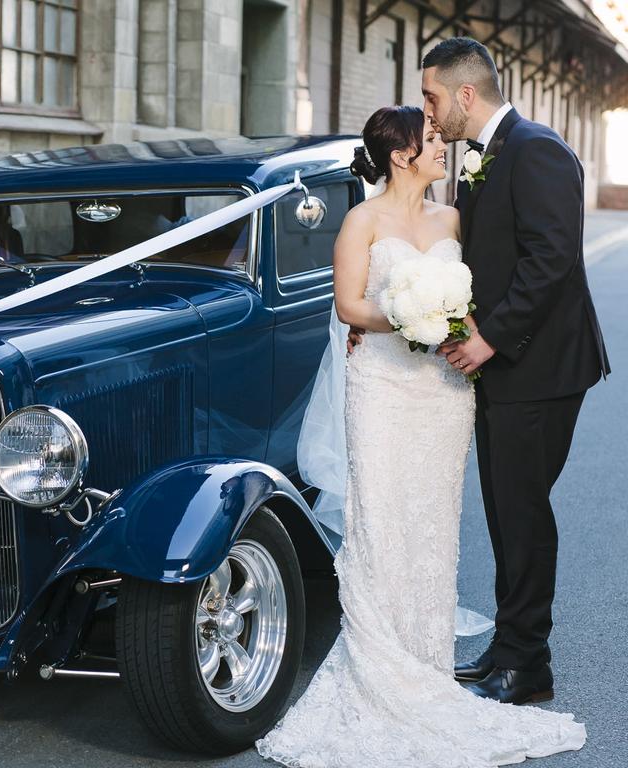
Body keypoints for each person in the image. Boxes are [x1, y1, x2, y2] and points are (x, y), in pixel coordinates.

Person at [255, 104, 586, 768]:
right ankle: (382, 662)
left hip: (442, 395)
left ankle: (427, 660)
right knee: (382, 520)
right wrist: (410, 315)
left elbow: (498, 277)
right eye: (432, 138)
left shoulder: (455, 216)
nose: (444, 144)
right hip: (382, 388)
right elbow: (349, 304)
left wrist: (453, 322)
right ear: (402, 154)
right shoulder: (362, 220)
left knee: (433, 523)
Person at [420, 37, 609, 704]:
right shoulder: (486, 158)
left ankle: (529, 666)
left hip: (543, 367)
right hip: (504, 367)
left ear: (465, 94)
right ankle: (507, 647)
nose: (429, 109)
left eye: (433, 96)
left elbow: (550, 259)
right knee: (504, 512)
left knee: (523, 513)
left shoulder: (539, 149)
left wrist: (488, 339)